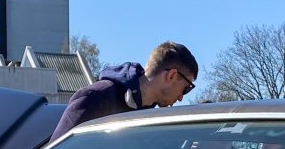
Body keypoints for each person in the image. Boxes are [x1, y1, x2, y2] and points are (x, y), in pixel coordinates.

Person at [50, 42, 197, 140]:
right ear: (171, 75)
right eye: (186, 89)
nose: (180, 98)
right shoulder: (96, 97)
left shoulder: (153, 119)